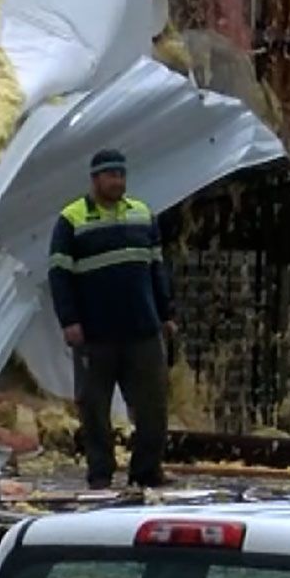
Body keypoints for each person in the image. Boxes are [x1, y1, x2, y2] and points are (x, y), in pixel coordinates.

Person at [48, 149, 176, 490]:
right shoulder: (71, 220)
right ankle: (101, 473)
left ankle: (146, 471)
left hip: (142, 330)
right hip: (95, 334)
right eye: (110, 175)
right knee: (94, 409)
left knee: (153, 407)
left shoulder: (142, 215)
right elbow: (59, 276)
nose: (117, 181)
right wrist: (69, 320)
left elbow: (156, 269)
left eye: (121, 175)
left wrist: (166, 314)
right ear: (95, 180)